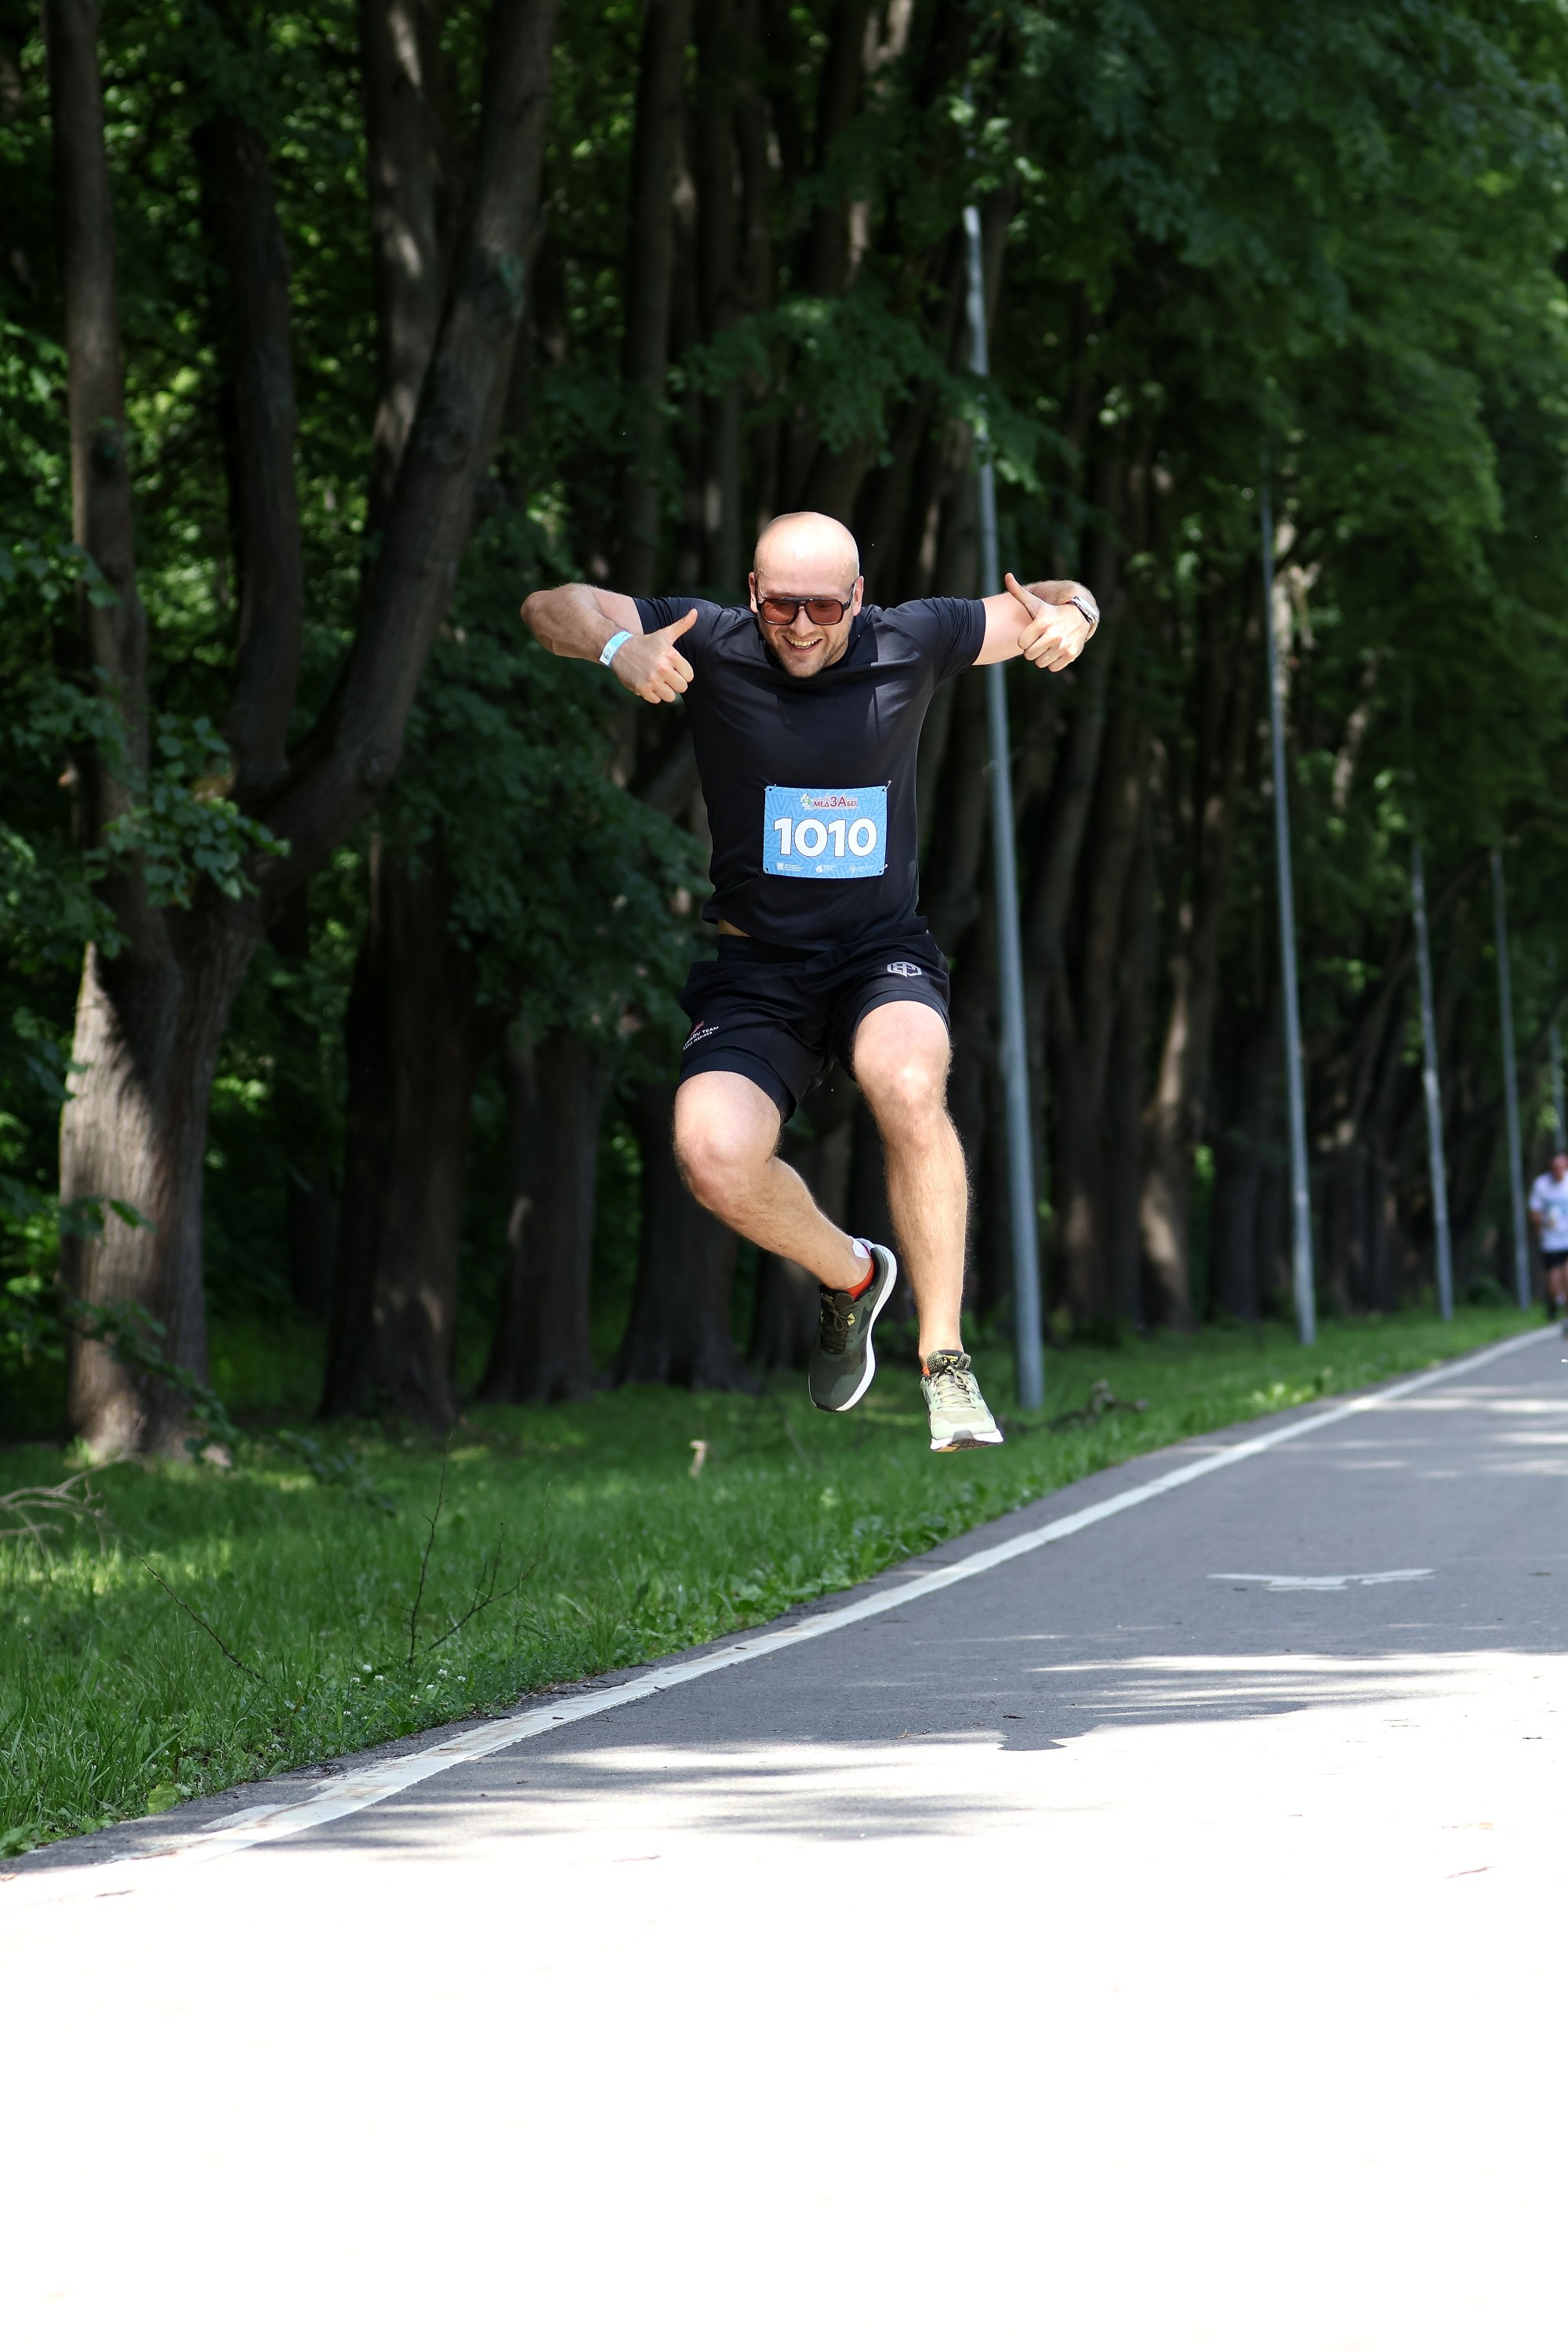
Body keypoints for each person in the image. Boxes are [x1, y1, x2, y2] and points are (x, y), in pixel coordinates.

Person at [521, 510, 1098, 1450]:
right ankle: (853, 1275)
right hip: (758, 969)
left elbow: (1053, 600)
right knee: (709, 1154)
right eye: (780, 603)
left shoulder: (910, 638)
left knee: (908, 1081)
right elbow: (551, 607)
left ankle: (944, 1362)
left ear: (857, 599)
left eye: (822, 606)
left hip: (879, 952)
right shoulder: (706, 637)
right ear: (752, 592)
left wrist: (1081, 614)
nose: (799, 625)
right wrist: (618, 646)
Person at [1528, 1146, 1568, 1323]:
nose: (1557, 1171)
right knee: (1554, 1287)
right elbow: (1533, 1212)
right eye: (1554, 1168)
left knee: (1567, 1277)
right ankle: (1557, 1302)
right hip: (1551, 1241)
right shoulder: (1541, 1185)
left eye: (1561, 1167)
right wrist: (1543, 1222)